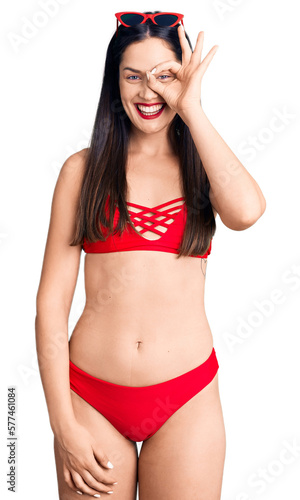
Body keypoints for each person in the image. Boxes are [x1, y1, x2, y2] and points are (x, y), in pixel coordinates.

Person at [35, 11, 266, 500]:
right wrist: (63, 425)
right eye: (133, 76)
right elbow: (50, 306)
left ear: (184, 80)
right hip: (90, 399)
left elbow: (246, 212)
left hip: (187, 399)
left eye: (166, 76)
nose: (148, 91)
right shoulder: (83, 170)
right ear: (114, 81)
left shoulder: (204, 164)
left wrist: (193, 110)